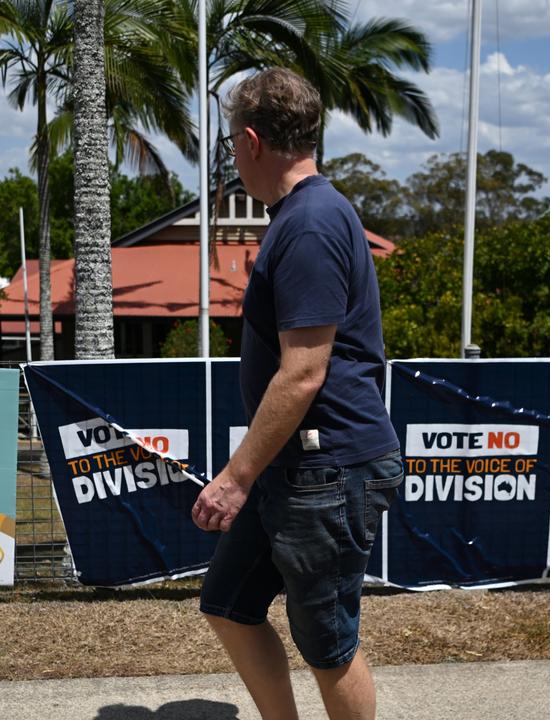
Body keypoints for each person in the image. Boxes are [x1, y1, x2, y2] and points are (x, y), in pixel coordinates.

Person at [191, 67, 403, 720]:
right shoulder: (300, 217)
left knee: (328, 642)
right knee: (228, 604)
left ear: (251, 141)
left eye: (230, 144)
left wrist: (235, 477)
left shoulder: (309, 224)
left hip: (328, 469)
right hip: (298, 466)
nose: (232, 158)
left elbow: (304, 371)